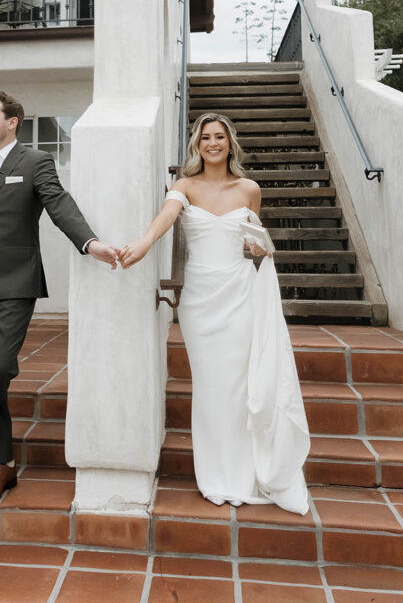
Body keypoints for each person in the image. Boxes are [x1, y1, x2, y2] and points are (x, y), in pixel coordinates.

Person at [120, 112, 310, 514]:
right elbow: (166, 217)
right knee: (210, 388)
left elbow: (254, 244)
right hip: (201, 301)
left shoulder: (250, 189)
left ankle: (245, 472)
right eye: (205, 137)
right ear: (197, 145)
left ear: (229, 143)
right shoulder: (184, 185)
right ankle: (215, 475)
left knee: (239, 387)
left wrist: (261, 249)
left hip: (241, 293)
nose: (212, 143)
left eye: (219, 136)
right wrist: (142, 244)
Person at [0, 89, 118, 504]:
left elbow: (59, 204)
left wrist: (90, 243)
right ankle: (3, 466)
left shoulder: (34, 162)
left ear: (11, 121)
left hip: (15, 283)